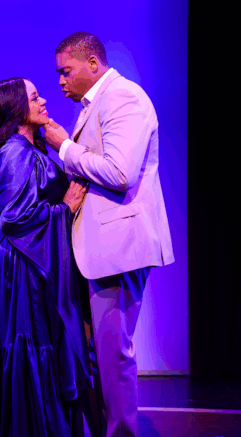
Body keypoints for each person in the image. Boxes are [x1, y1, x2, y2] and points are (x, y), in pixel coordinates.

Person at [44, 32, 176, 437]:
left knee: (113, 355)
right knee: (98, 355)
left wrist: (65, 148)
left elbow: (119, 172)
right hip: (97, 251)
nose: (60, 82)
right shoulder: (96, 104)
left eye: (66, 71)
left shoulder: (123, 97)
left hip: (119, 250)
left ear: (93, 63)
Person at [0, 77, 93, 437]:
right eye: (35, 97)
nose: (43, 102)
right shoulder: (14, 153)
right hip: (24, 268)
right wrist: (65, 209)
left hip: (29, 260)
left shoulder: (23, 149)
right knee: (31, 341)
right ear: (15, 109)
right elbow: (14, 219)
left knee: (41, 345)